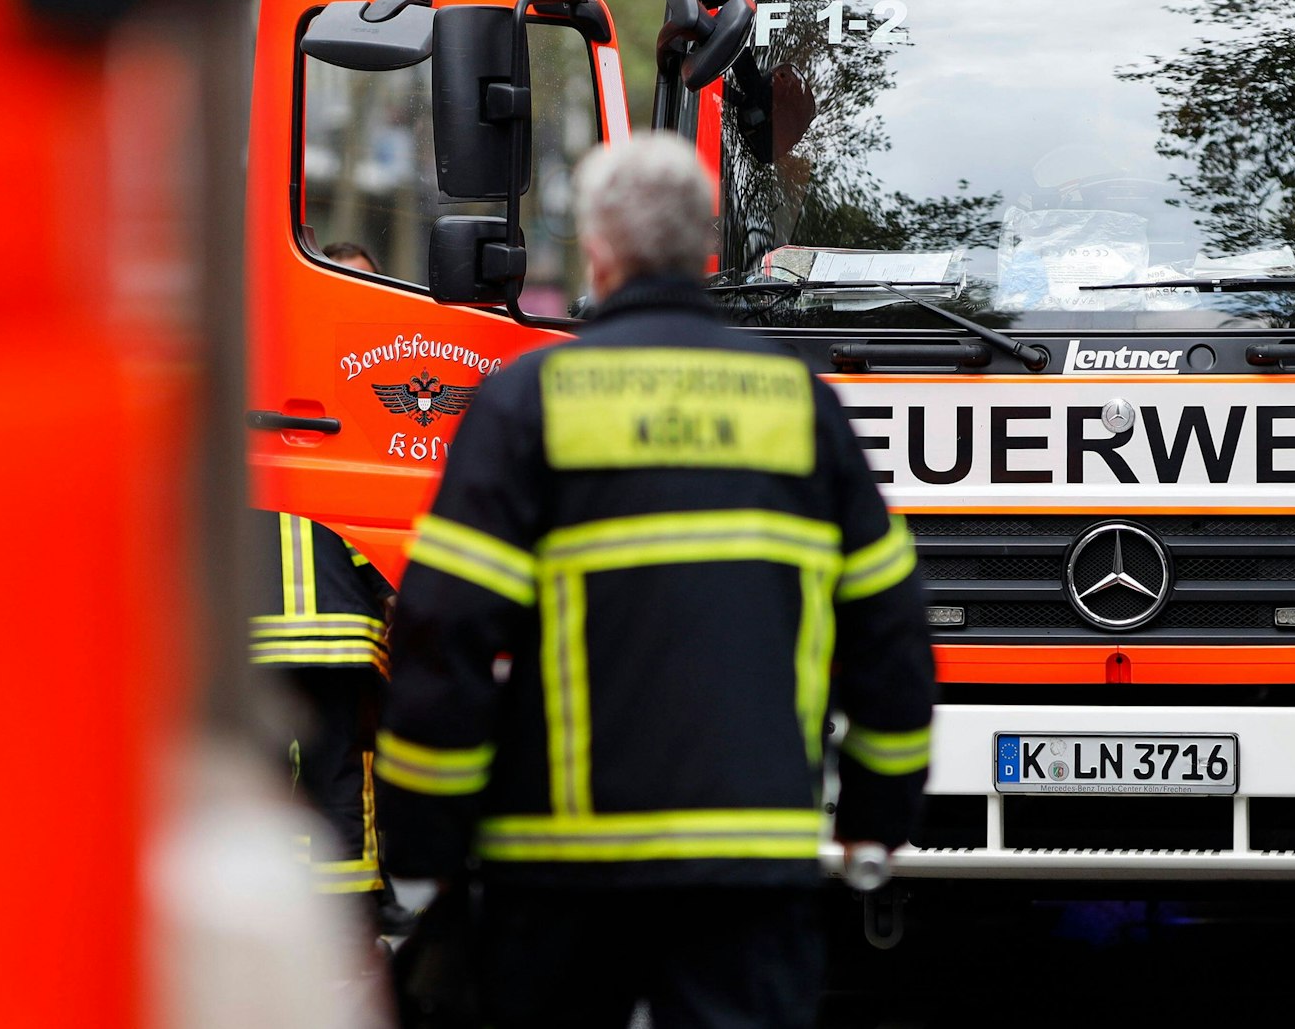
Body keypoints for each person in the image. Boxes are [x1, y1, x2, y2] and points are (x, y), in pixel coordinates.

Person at [374, 134, 935, 1029]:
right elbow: (891, 632)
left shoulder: (529, 401)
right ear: (701, 244)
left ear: (598, 248)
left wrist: (424, 844)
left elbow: (444, 634)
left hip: (557, 865)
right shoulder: (800, 404)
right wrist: (877, 815)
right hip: (750, 860)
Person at [248, 507, 412, 936]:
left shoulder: (241, 452)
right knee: (342, 775)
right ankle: (353, 910)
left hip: (255, 637)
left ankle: (272, 905)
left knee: (265, 781)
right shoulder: (332, 458)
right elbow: (368, 538)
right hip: (341, 636)